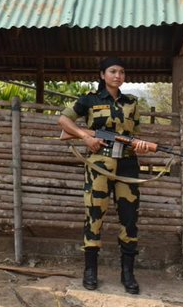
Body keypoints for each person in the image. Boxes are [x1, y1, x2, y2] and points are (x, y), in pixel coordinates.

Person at [58, 57, 150, 294]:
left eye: (121, 71)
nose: (117, 75)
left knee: (129, 218)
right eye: (112, 71)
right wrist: (85, 136)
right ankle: (90, 271)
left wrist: (139, 145)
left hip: (127, 164)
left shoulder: (132, 102)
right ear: (102, 75)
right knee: (94, 214)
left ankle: (127, 273)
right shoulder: (90, 100)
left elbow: (135, 133)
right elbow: (63, 120)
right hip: (98, 166)